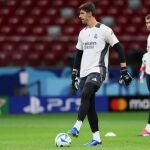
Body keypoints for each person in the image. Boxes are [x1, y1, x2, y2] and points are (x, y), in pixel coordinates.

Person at [68, 2, 132, 146]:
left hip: (98, 70)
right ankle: (96, 138)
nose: (79, 16)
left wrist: (124, 70)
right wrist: (74, 74)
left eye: (82, 13)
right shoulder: (82, 33)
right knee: (89, 105)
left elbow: (119, 48)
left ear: (90, 13)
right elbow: (78, 55)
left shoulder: (105, 30)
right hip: (84, 73)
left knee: (86, 94)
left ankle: (76, 127)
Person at [138, 14, 150, 136]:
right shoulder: (149, 37)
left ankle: (148, 129)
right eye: (147, 22)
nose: (148, 25)